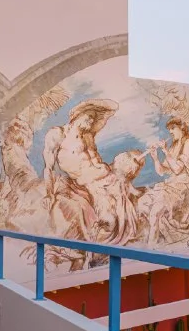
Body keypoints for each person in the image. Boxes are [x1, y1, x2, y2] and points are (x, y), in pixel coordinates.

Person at [42, 99, 138, 270]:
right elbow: (48, 167)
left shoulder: (88, 136)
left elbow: (112, 107)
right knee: (109, 220)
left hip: (108, 178)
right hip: (91, 185)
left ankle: (103, 256)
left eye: (94, 117)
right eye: (89, 117)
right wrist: (49, 193)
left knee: (129, 208)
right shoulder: (58, 134)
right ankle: (99, 258)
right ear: (77, 115)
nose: (92, 121)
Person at [138, 117, 189, 246]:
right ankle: (154, 240)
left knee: (155, 212)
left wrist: (165, 151)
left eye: (173, 128)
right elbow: (162, 171)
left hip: (185, 186)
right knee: (142, 203)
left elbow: (177, 170)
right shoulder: (174, 146)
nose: (170, 132)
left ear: (182, 128)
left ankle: (152, 247)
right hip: (173, 184)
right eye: (169, 129)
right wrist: (155, 158)